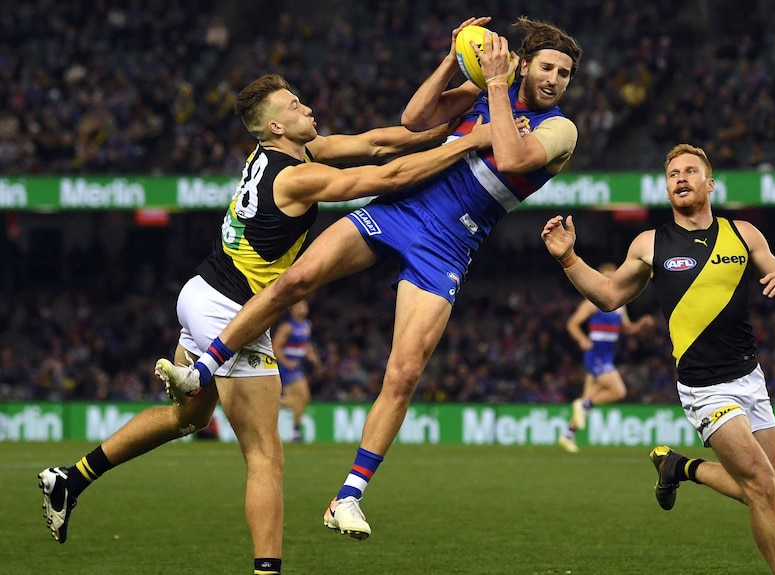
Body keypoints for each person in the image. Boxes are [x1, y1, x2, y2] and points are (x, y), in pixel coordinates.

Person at [38, 72, 494, 575]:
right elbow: (385, 178)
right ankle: (267, 571)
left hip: (202, 292)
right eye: (295, 105)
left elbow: (377, 142)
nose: (308, 108)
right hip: (232, 310)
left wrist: (447, 133)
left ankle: (72, 478)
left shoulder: (292, 155)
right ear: (276, 126)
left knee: (188, 418)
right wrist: (473, 143)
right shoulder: (297, 176)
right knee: (265, 458)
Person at [156, 16, 581, 540]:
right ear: (525, 63)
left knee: (404, 372)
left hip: (449, 245)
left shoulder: (560, 128)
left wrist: (494, 85)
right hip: (399, 208)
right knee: (295, 280)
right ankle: (204, 369)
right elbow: (414, 117)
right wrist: (455, 59)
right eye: (547, 67)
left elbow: (512, 156)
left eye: (564, 73)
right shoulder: (487, 90)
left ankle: (349, 496)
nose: (555, 79)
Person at [541, 143, 775, 575]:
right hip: (705, 385)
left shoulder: (744, 234)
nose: (680, 178)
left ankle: (679, 467)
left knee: (763, 488)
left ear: (709, 183)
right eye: (672, 174)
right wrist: (569, 257)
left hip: (750, 377)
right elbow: (608, 296)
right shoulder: (651, 244)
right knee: (760, 486)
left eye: (689, 171)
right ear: (667, 189)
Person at [557, 262, 654, 453]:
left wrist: (641, 325)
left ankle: (567, 435)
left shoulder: (619, 304)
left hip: (606, 356)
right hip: (596, 356)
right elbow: (572, 324)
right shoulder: (592, 301)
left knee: (589, 397)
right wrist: (582, 339)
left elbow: (627, 328)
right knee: (618, 391)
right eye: (606, 276)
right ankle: (583, 404)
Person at [272, 299, 320, 443]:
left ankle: (295, 431)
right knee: (302, 397)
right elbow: (275, 347)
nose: (302, 308)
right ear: (292, 309)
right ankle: (295, 430)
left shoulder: (306, 325)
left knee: (302, 399)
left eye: (304, 305)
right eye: (299, 306)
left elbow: (304, 344)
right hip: (288, 368)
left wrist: (311, 354)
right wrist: (286, 362)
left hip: (297, 366)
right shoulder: (287, 327)